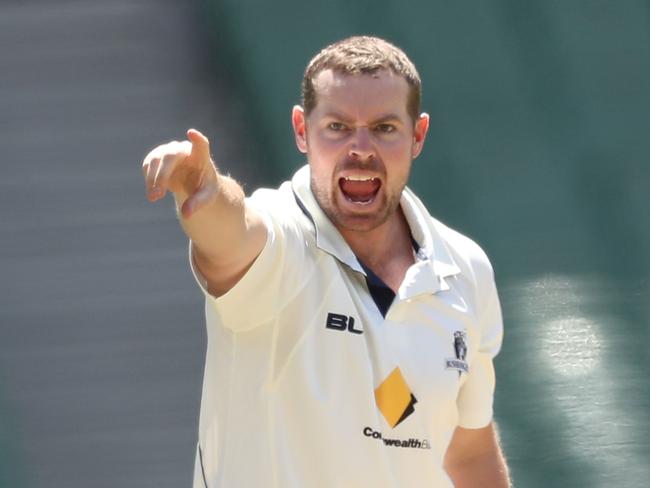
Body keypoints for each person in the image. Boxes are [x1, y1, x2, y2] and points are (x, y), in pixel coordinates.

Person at [142, 36, 510, 488]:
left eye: (384, 128)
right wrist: (205, 191)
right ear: (302, 129)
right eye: (337, 126)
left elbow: (469, 453)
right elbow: (232, 234)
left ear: (418, 136)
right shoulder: (282, 238)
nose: (360, 148)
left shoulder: (466, 268)